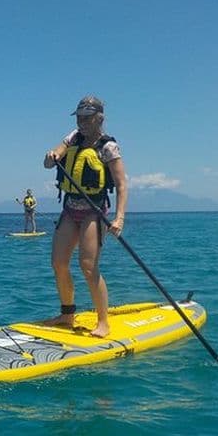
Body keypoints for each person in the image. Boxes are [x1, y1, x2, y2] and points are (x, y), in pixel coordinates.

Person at [42, 95, 128, 337]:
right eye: (79, 117)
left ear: (99, 118)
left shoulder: (108, 147)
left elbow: (121, 185)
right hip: (70, 209)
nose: (82, 122)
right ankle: (67, 315)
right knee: (59, 263)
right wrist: (51, 157)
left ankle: (103, 322)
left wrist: (119, 218)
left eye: (87, 118)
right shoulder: (73, 138)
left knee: (88, 267)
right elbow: (49, 163)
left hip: (94, 211)